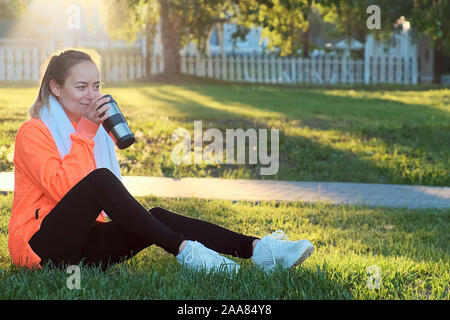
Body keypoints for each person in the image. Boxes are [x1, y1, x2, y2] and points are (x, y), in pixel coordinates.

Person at [8, 49, 314, 274]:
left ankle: (261, 251)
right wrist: (87, 130)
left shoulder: (90, 131)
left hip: (83, 248)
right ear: (56, 88)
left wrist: (88, 131)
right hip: (40, 248)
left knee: (156, 216)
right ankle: (186, 251)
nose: (92, 94)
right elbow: (67, 190)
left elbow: (100, 204)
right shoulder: (32, 132)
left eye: (97, 86)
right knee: (101, 180)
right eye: (81, 86)